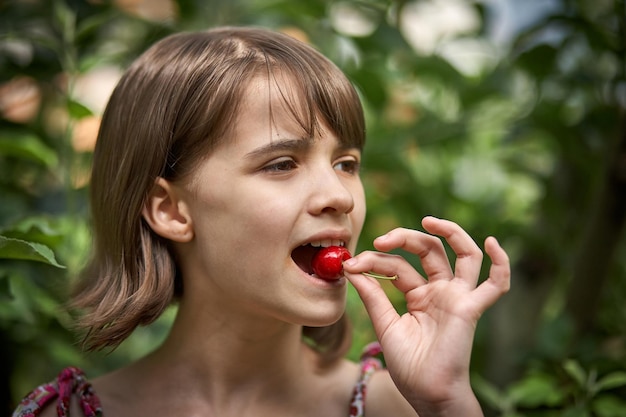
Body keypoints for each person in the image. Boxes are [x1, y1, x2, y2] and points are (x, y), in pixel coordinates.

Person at [12, 26, 510, 417]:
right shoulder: (62, 414)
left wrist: (446, 405)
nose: (339, 195)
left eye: (346, 164)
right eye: (281, 164)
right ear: (169, 209)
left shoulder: (401, 410)